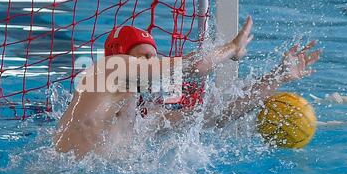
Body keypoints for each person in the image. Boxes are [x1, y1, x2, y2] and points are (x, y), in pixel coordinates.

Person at [53, 17, 321, 158]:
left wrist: (278, 77)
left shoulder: (140, 120)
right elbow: (198, 65)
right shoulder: (108, 69)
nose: (152, 61)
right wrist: (232, 48)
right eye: (143, 56)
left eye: (154, 55)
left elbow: (217, 115)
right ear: (121, 55)